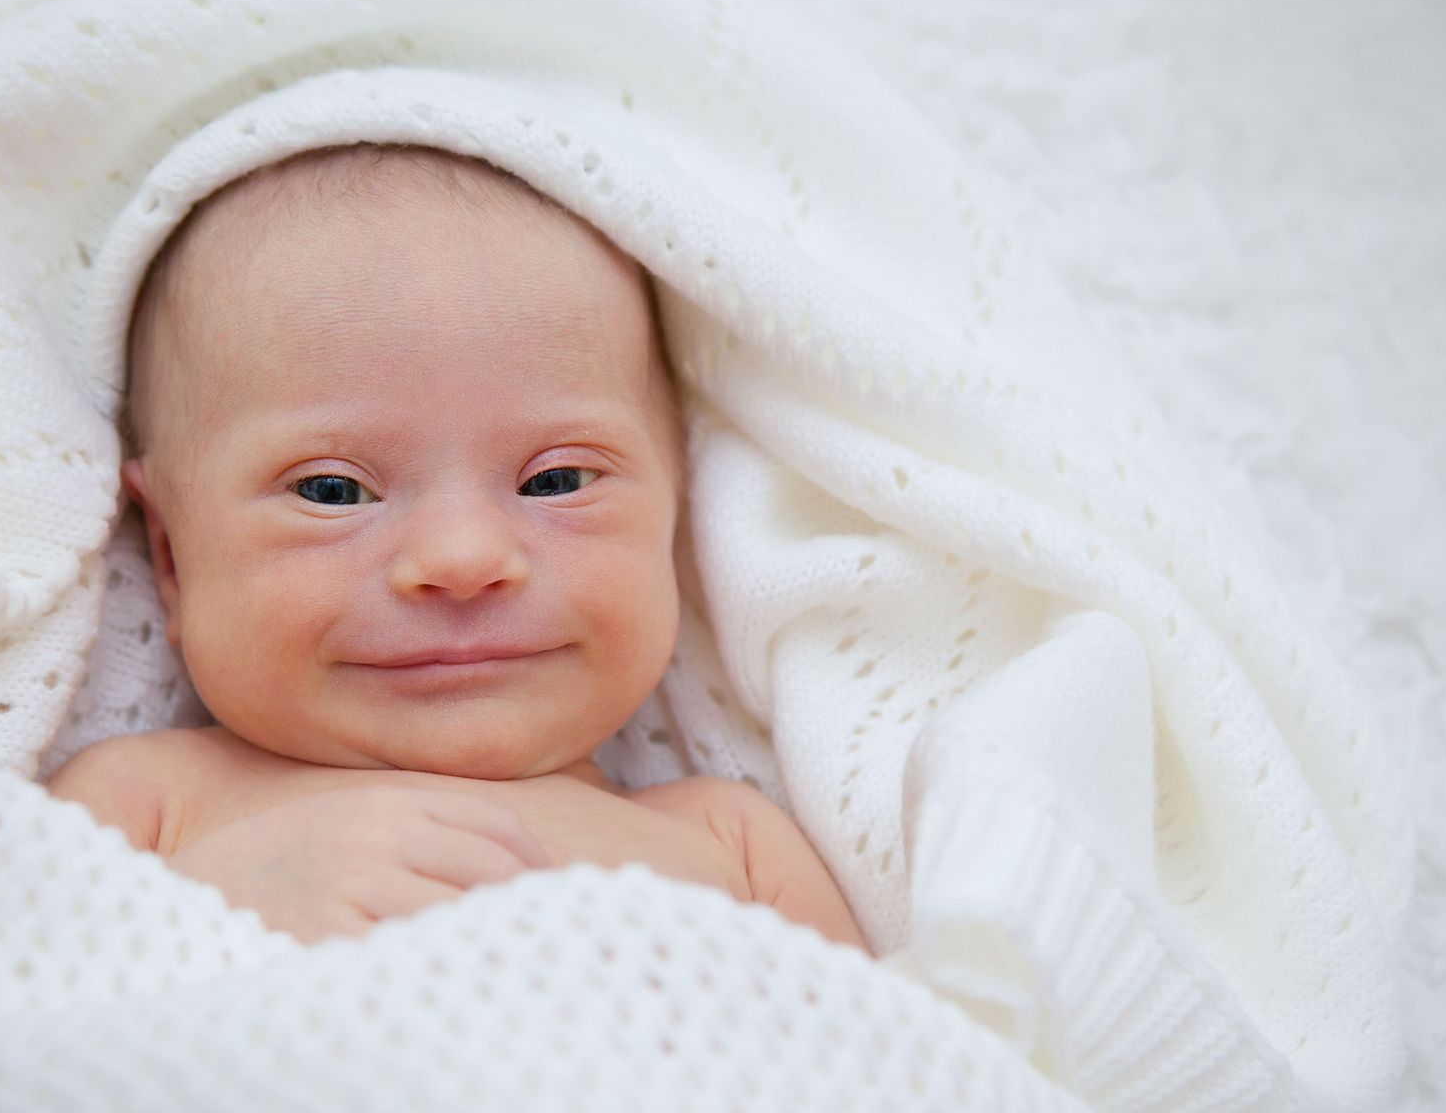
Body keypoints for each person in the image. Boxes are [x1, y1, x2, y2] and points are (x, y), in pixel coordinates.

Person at [48, 144, 866, 951]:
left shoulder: (732, 843)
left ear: (677, 516)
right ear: (169, 557)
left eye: (557, 481)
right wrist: (210, 905)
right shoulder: (150, 806)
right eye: (332, 491)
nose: (462, 558)